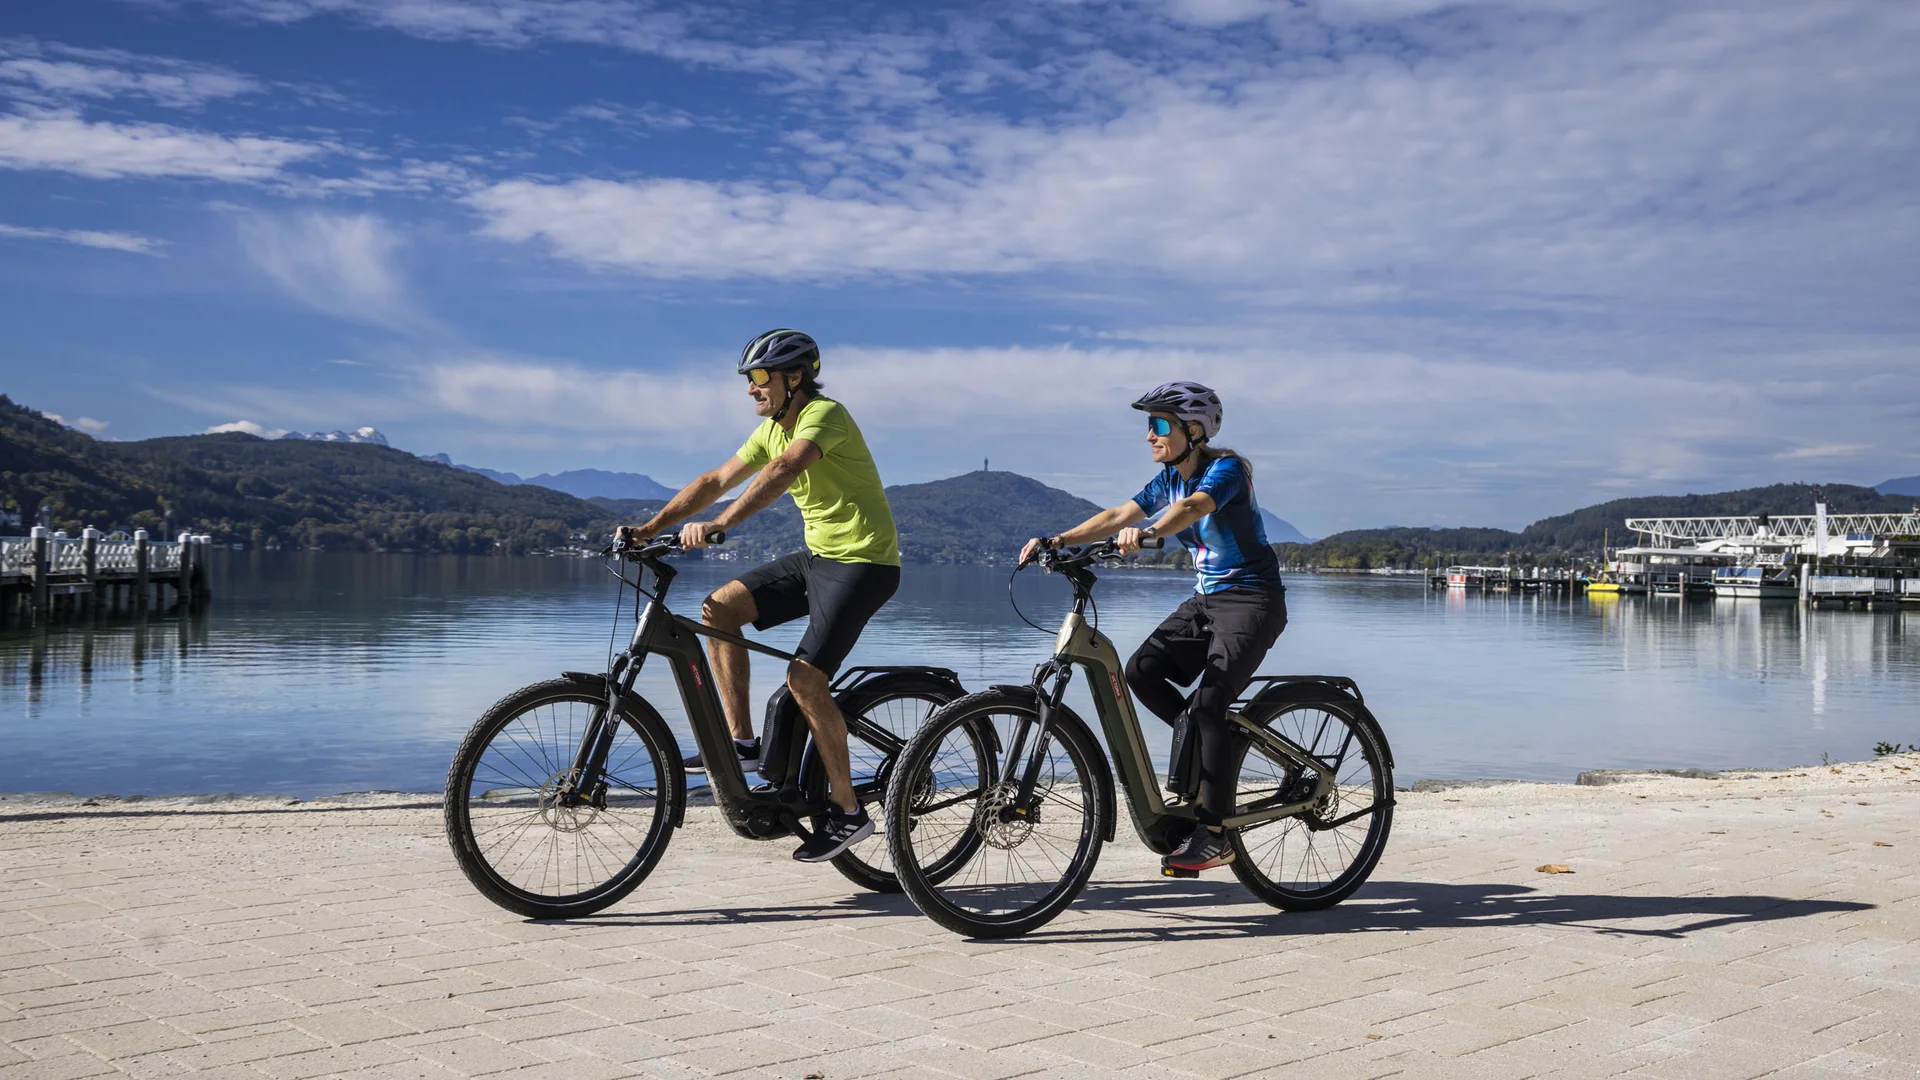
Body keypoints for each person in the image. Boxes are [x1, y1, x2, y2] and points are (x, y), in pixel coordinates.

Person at [619, 329, 901, 862]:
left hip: (864, 563)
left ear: (794, 378)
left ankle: (848, 812)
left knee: (804, 680)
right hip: (818, 558)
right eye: (748, 380)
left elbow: (784, 469)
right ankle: (744, 744)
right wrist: (650, 527)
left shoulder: (824, 415)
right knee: (719, 607)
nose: (751, 389)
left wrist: (722, 523)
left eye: (759, 378)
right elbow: (714, 478)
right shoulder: (770, 429)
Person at [1019, 381, 1286, 873]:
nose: (1150, 435)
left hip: (1253, 600)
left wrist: (1147, 533)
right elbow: (1120, 513)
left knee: (1208, 703)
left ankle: (1214, 831)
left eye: (1159, 425)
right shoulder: (1167, 479)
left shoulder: (1226, 470)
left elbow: (1191, 509)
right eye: (1149, 425)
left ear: (1193, 430)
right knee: (1141, 672)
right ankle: (1210, 745)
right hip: (1207, 601)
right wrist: (1057, 539)